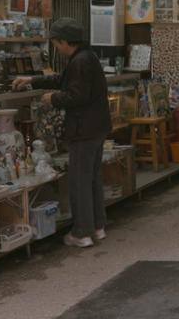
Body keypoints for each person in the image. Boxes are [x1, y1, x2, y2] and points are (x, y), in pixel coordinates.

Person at [12, 18, 112, 249]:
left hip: (83, 129)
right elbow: (63, 80)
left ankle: (81, 232)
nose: (56, 47)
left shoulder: (80, 61)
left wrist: (52, 98)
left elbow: (77, 96)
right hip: (95, 128)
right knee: (92, 178)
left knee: (80, 181)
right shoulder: (86, 58)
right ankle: (97, 226)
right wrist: (33, 80)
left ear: (65, 41)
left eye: (56, 43)